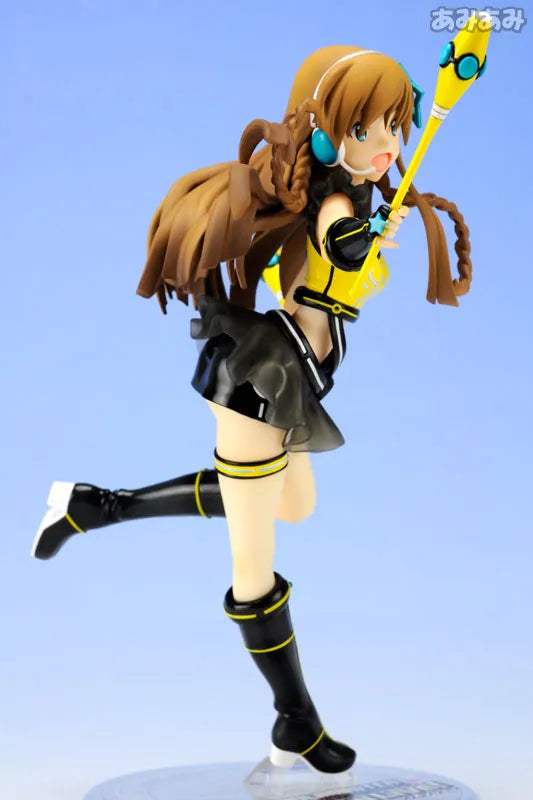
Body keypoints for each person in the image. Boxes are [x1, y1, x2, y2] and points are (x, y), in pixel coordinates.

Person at [32, 46, 472, 773]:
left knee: (289, 505)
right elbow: (335, 241)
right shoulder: (333, 204)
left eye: (396, 127)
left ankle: (92, 506)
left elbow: (342, 253)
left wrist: (371, 232)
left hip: (294, 375)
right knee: (253, 569)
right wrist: (361, 238)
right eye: (367, 129)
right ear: (327, 131)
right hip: (259, 384)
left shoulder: (349, 196)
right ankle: (295, 719)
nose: (388, 146)